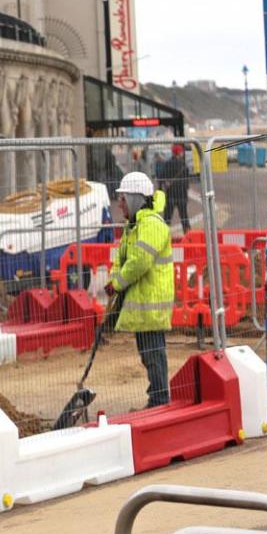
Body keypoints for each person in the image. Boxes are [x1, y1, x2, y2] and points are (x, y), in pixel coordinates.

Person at [104, 171, 174, 408]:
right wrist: (114, 279)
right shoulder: (133, 226)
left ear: (134, 199)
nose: (119, 204)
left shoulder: (152, 224)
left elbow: (140, 261)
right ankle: (157, 396)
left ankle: (160, 398)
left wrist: (117, 283)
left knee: (153, 353)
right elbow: (121, 258)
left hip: (150, 300)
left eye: (123, 199)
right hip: (141, 301)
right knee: (148, 353)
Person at [157, 144, 192, 232]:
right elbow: (186, 181)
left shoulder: (167, 164)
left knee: (167, 218)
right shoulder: (183, 165)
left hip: (170, 194)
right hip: (182, 195)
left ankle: (163, 235)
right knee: (184, 217)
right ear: (180, 153)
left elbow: (160, 177)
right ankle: (188, 236)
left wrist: (161, 189)